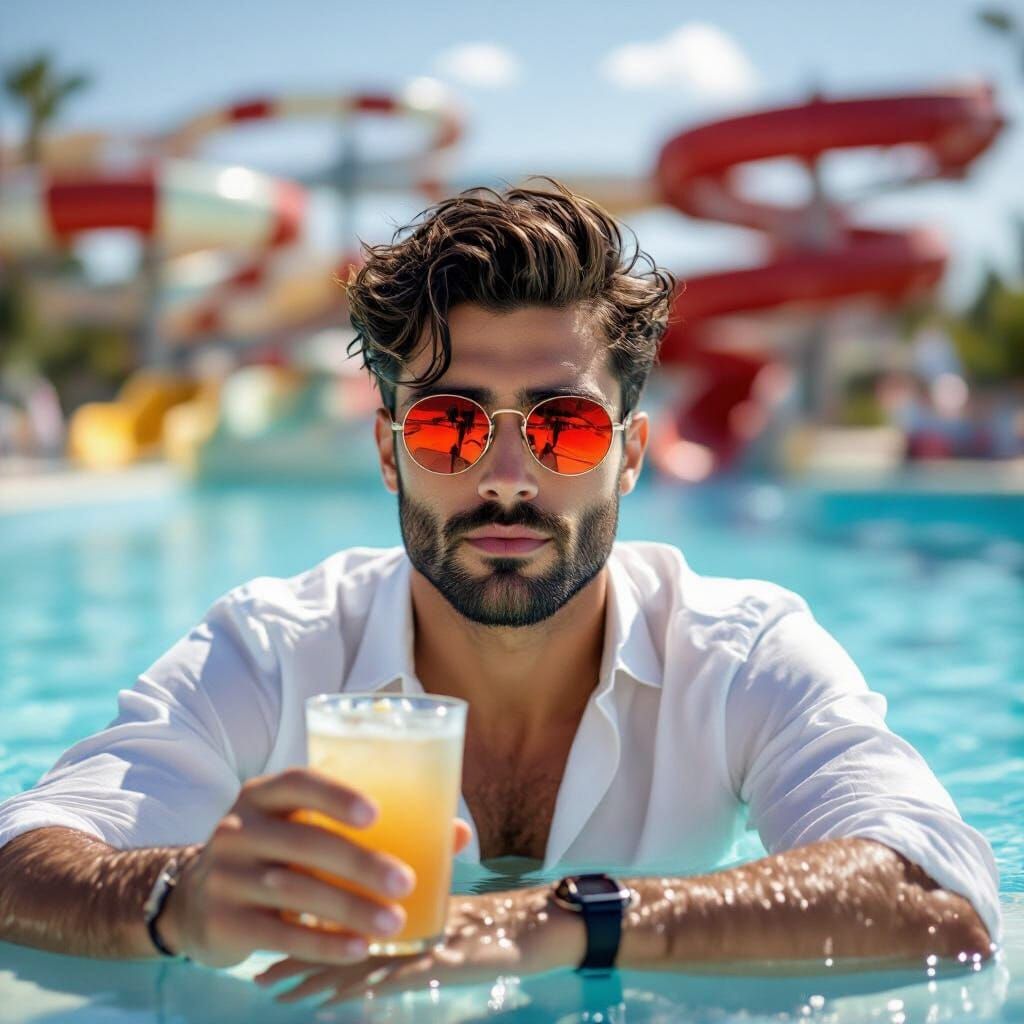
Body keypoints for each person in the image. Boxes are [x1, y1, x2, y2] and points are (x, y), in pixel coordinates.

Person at [0, 182, 999, 1003]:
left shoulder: (736, 651)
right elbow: (20, 863)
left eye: (563, 426)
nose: (508, 478)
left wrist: (553, 923)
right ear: (391, 455)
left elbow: (938, 889)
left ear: (631, 454)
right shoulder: (275, 647)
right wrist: (176, 897)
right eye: (449, 427)